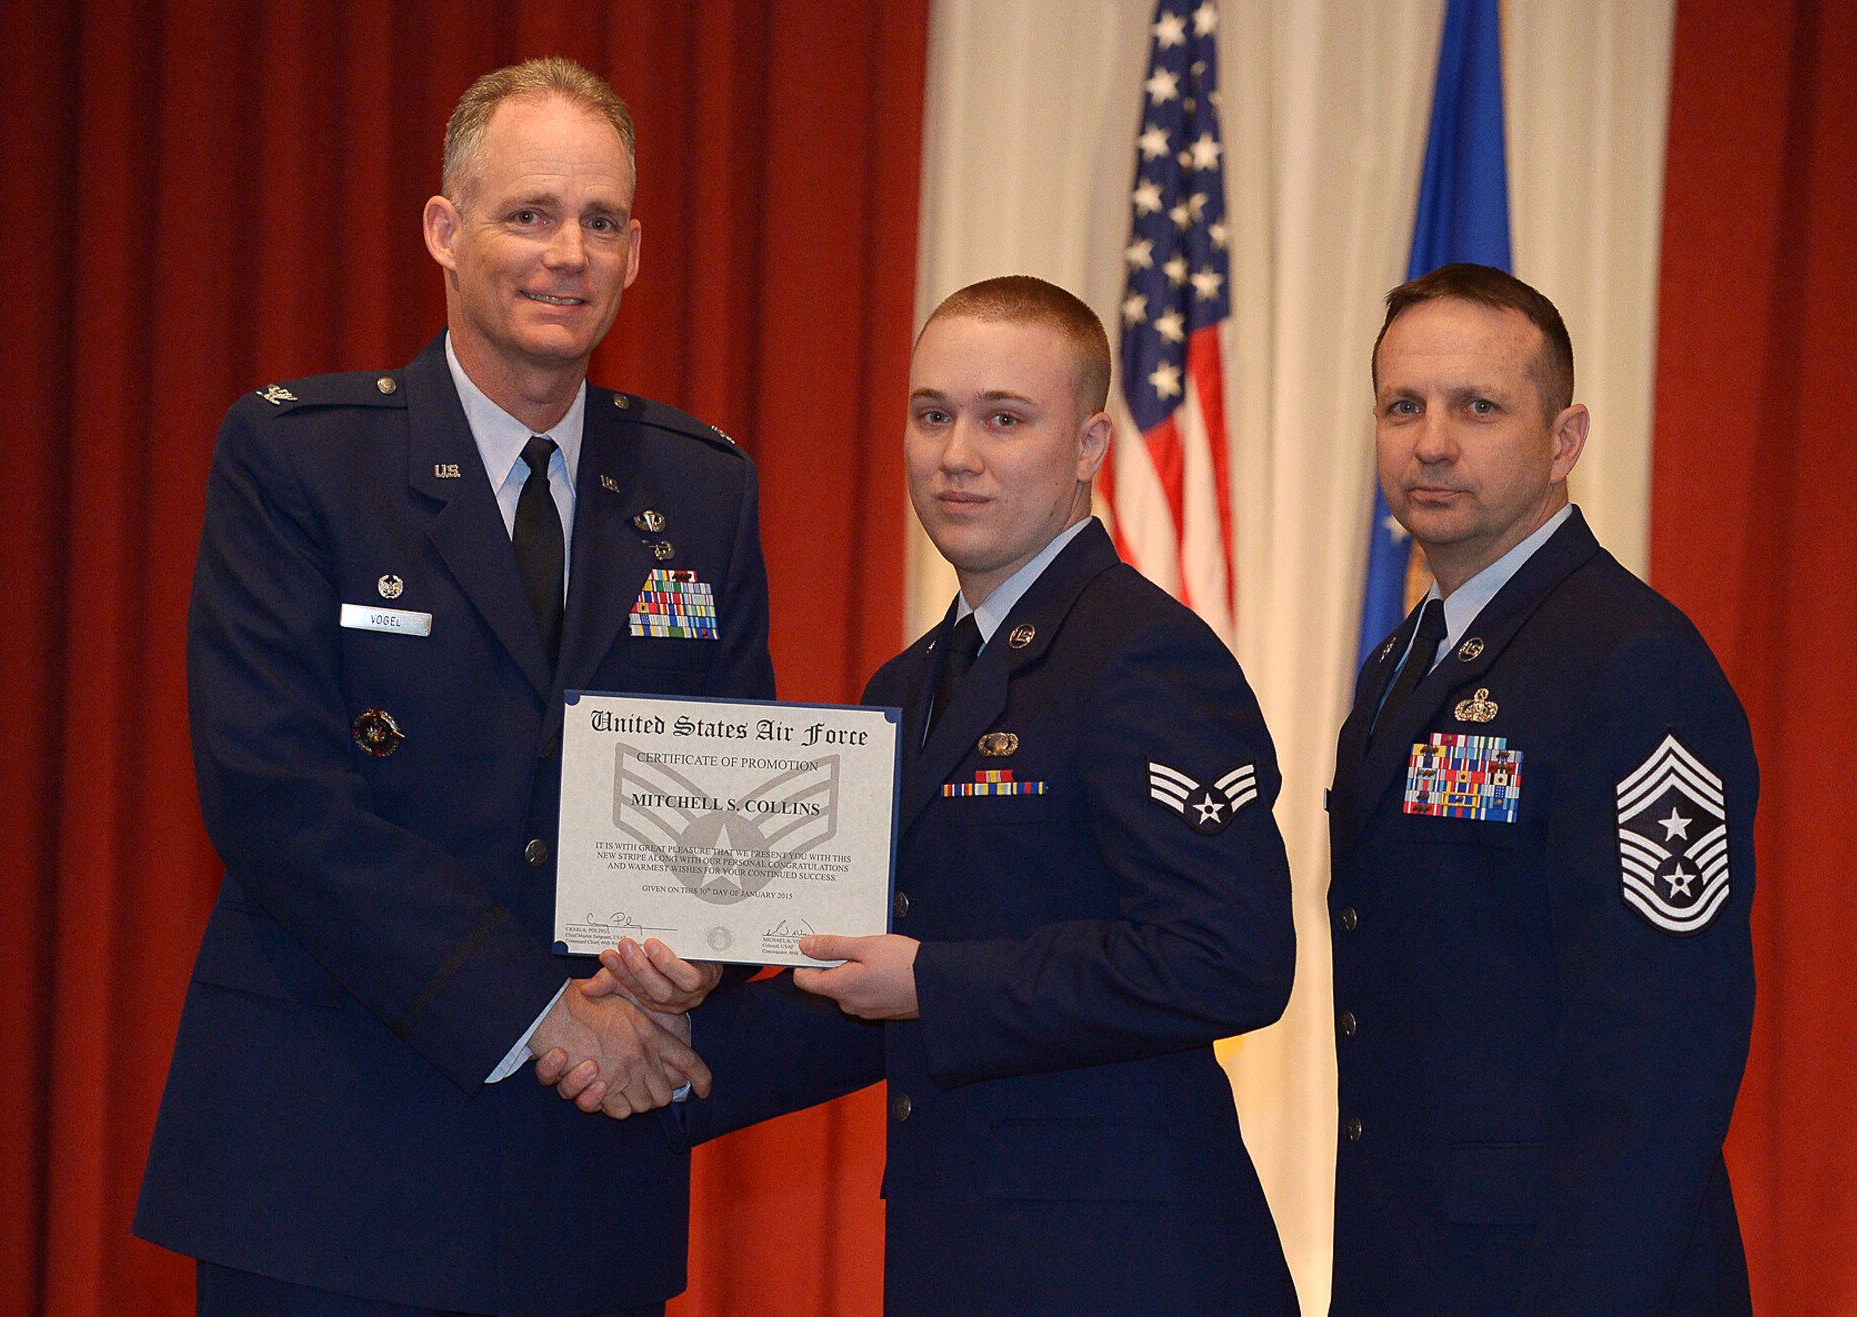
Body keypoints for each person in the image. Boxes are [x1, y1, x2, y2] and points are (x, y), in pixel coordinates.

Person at [134, 58, 773, 1316]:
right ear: (444, 228)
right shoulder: (300, 457)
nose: (566, 254)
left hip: (583, 1179)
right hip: (329, 1168)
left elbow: (730, 781)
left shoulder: (700, 486)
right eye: (528, 213)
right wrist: (538, 1009)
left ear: (637, 251)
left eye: (599, 222)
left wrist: (700, 954)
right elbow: (276, 800)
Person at [549, 275, 1299, 1314]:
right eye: (931, 414)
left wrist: (935, 982)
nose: (956, 454)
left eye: (1003, 419)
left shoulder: (1145, 657)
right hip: (961, 1258)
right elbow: (866, 985)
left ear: (1087, 447)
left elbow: (1228, 959)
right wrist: (657, 1060)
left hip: (1129, 1264)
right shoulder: (906, 685)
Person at [1328, 262, 1757, 1314]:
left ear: (1562, 440)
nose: (1431, 440)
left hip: (1568, 1274)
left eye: (1478, 406)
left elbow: (1663, 1048)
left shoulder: (1632, 662)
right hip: (1413, 1263)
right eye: (1402, 406)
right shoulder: (1400, 665)